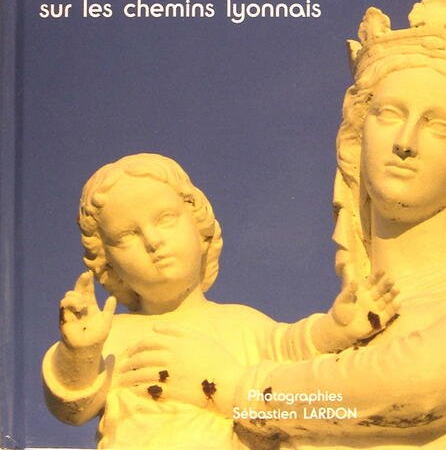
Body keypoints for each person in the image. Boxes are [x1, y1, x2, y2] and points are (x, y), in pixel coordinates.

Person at [174, 0, 446, 449]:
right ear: (355, 137)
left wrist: (242, 392)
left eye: (439, 126)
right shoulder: (315, 342)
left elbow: (423, 385)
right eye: (389, 114)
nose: (405, 141)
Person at [42, 153, 399, 450]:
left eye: (165, 219)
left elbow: (291, 348)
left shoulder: (239, 322)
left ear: (200, 229)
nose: (152, 241)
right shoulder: (115, 336)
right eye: (126, 236)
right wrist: (80, 353)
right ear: (109, 265)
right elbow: (72, 408)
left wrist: (337, 326)